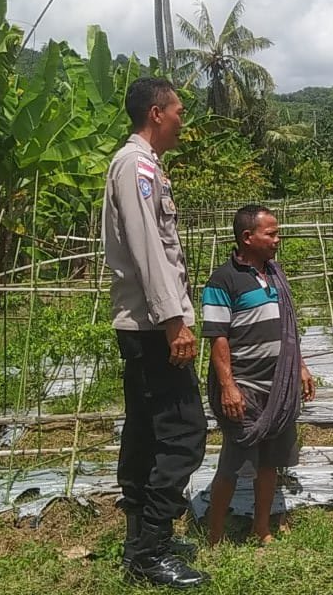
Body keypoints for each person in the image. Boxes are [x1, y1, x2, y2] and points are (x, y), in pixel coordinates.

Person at [101, 77, 209, 588]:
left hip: (145, 324)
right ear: (156, 113)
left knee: (144, 432)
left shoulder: (141, 166)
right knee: (185, 434)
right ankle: (152, 551)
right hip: (153, 326)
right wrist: (176, 324)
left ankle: (139, 542)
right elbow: (148, 250)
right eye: (179, 111)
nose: (183, 120)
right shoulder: (137, 166)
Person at [202, 204, 315, 545]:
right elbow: (218, 337)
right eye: (272, 233)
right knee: (233, 465)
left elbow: (288, 330)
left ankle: (261, 528)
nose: (277, 239)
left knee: (270, 464)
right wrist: (228, 386)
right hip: (244, 387)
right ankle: (214, 535)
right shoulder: (223, 280)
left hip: (276, 386)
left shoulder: (275, 274)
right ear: (248, 237)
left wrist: (301, 366)